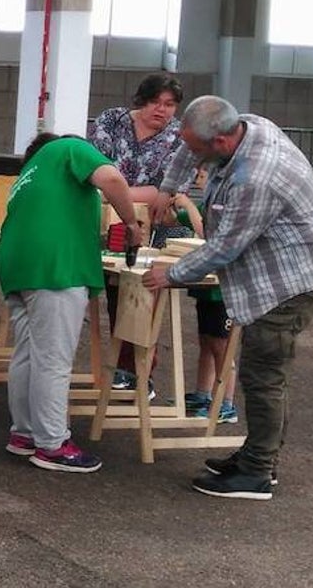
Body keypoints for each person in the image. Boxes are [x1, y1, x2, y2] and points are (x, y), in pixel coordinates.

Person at [144, 96, 313, 500]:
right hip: (275, 272)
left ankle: (257, 474)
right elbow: (185, 146)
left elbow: (225, 247)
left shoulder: (256, 178)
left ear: (223, 142)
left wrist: (171, 274)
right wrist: (168, 190)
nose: (191, 156)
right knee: (264, 374)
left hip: (289, 282)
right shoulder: (239, 124)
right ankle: (258, 455)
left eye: (199, 151)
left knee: (263, 375)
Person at [0, 133, 138, 474]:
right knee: (53, 359)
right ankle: (53, 444)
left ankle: (25, 434)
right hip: (55, 267)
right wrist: (132, 223)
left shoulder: (30, 173)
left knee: (29, 353)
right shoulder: (69, 148)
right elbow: (112, 178)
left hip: (18, 265)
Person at [90, 72, 185, 394]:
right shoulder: (112, 121)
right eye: (156, 102)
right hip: (102, 221)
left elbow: (166, 190)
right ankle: (120, 365)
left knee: (142, 295)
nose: (162, 110)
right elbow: (95, 168)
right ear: (142, 100)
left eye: (170, 104)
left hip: (151, 228)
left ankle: (140, 371)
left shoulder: (178, 137)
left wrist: (116, 189)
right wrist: (130, 191)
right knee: (113, 295)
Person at [169, 167, 238, 424]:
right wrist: (173, 211)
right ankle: (203, 393)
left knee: (222, 345)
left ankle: (227, 403)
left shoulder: (228, 200)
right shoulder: (207, 201)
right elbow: (184, 220)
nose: (199, 176)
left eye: (204, 173)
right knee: (206, 341)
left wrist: (186, 203)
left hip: (224, 288)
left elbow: (204, 230)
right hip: (207, 285)